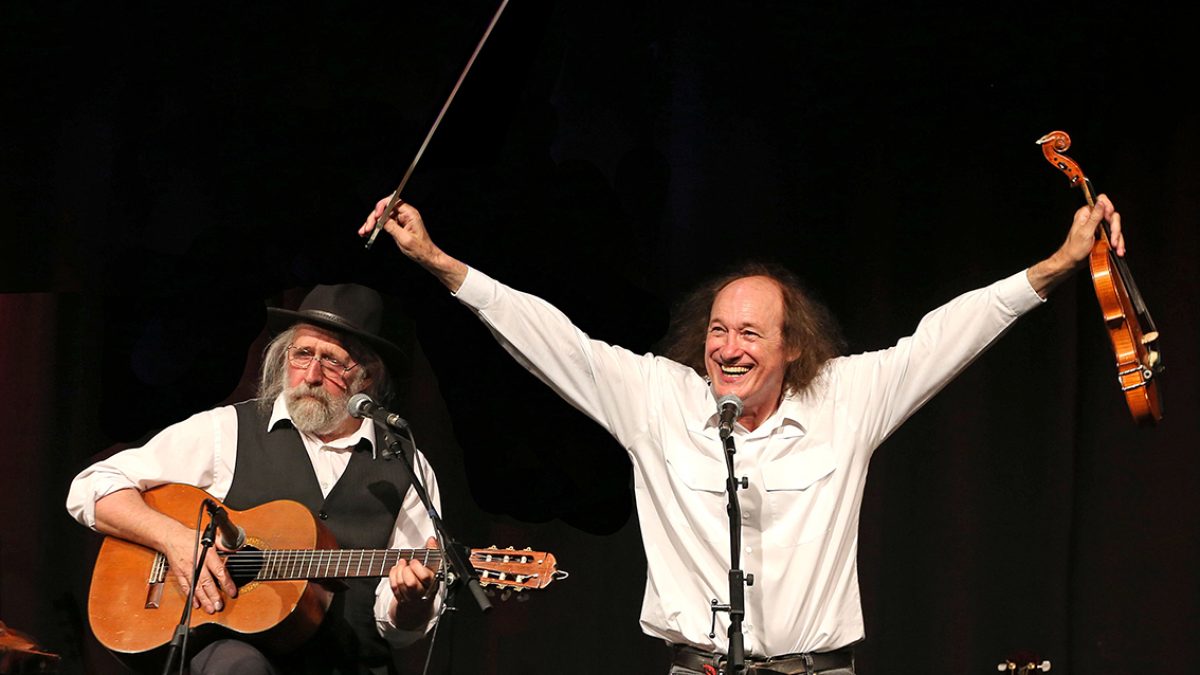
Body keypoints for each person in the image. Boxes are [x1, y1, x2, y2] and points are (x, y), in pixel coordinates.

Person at [358, 194, 1123, 675]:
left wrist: (1057, 265)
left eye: (751, 332)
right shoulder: (659, 398)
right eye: (718, 330)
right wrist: (436, 261)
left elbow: (948, 335)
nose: (728, 346)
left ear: (793, 346)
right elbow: (552, 339)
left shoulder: (845, 397)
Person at [67, 284, 442, 675]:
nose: (310, 375)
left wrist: (410, 603)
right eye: (301, 354)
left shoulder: (405, 465)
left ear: (367, 376)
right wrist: (175, 538)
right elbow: (93, 486)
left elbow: (398, 627)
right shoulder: (227, 430)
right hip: (235, 654)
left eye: (332, 361)